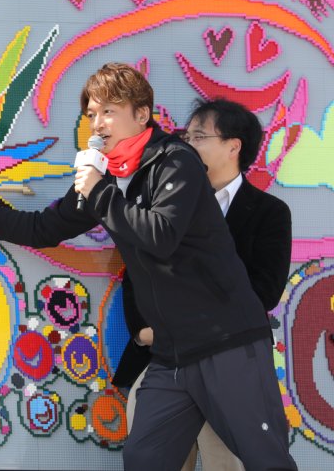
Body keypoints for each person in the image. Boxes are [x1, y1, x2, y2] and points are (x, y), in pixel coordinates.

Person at [0, 63, 297, 470]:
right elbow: (43, 228)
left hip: (226, 343)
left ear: (142, 114)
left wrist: (98, 189)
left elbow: (161, 235)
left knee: (265, 460)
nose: (97, 124)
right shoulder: (106, 175)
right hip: (172, 354)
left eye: (109, 112)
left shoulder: (176, 162)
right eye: (91, 114)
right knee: (144, 459)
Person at [113, 97, 293, 470]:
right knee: (145, 458)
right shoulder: (163, 199)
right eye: (186, 136)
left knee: (226, 463)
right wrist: (145, 332)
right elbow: (136, 274)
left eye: (199, 137)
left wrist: (203, 324)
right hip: (165, 358)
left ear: (233, 146)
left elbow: (265, 289)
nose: (187, 145)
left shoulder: (269, 213)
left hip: (228, 360)